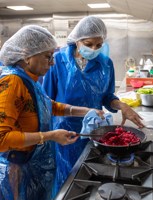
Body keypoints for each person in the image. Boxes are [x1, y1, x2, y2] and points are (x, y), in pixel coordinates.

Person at [0, 25, 104, 200]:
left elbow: (49, 105)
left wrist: (87, 111)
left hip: (32, 166)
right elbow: (2, 139)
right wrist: (49, 136)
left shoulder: (29, 80)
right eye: (48, 57)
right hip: (17, 171)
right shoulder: (12, 83)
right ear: (27, 56)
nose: (53, 63)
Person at [42, 15, 144, 189]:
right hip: (64, 132)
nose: (94, 49)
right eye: (88, 44)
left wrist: (122, 106)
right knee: (67, 182)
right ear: (77, 40)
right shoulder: (57, 61)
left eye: (99, 45)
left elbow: (106, 96)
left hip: (95, 132)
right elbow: (45, 101)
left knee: (91, 179)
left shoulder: (105, 64)